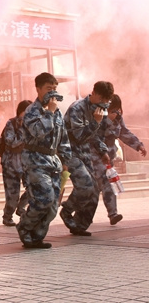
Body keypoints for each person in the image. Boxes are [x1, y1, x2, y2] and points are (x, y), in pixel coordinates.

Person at [17, 72, 71, 249]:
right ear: (38, 89)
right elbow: (38, 131)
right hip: (35, 161)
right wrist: (49, 112)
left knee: (53, 205)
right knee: (44, 199)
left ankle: (36, 236)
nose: (53, 92)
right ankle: (25, 228)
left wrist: (65, 160)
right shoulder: (32, 111)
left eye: (55, 88)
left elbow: (63, 137)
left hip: (53, 161)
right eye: (49, 89)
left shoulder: (57, 112)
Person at [60, 81, 114, 236]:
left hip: (84, 153)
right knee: (85, 185)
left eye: (106, 101)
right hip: (69, 152)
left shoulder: (98, 110)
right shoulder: (77, 108)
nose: (104, 103)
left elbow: (95, 136)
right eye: (102, 99)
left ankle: (80, 224)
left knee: (95, 190)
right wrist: (96, 122)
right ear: (94, 93)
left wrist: (102, 151)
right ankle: (67, 210)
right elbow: (79, 136)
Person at [90, 94, 146, 225]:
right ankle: (112, 213)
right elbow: (93, 135)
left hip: (109, 158)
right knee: (105, 184)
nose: (115, 112)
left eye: (117, 108)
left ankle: (77, 216)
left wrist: (138, 145)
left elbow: (124, 133)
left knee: (94, 190)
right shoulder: (98, 117)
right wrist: (107, 119)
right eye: (112, 109)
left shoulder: (118, 119)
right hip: (95, 157)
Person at [0, 100, 32, 226]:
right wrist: (23, 130)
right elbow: (11, 142)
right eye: (26, 111)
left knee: (34, 187)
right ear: (20, 112)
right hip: (11, 163)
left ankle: (21, 207)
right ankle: (7, 216)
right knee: (12, 195)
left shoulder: (33, 124)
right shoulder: (11, 123)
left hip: (27, 162)